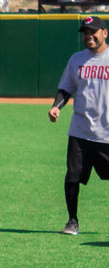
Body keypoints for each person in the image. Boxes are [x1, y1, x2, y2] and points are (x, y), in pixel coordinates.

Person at [48, 15, 109, 235]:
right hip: (80, 130)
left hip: (107, 133)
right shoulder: (76, 60)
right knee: (72, 176)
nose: (88, 36)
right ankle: (72, 221)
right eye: (85, 32)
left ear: (104, 33)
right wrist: (57, 106)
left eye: (93, 32)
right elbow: (67, 89)